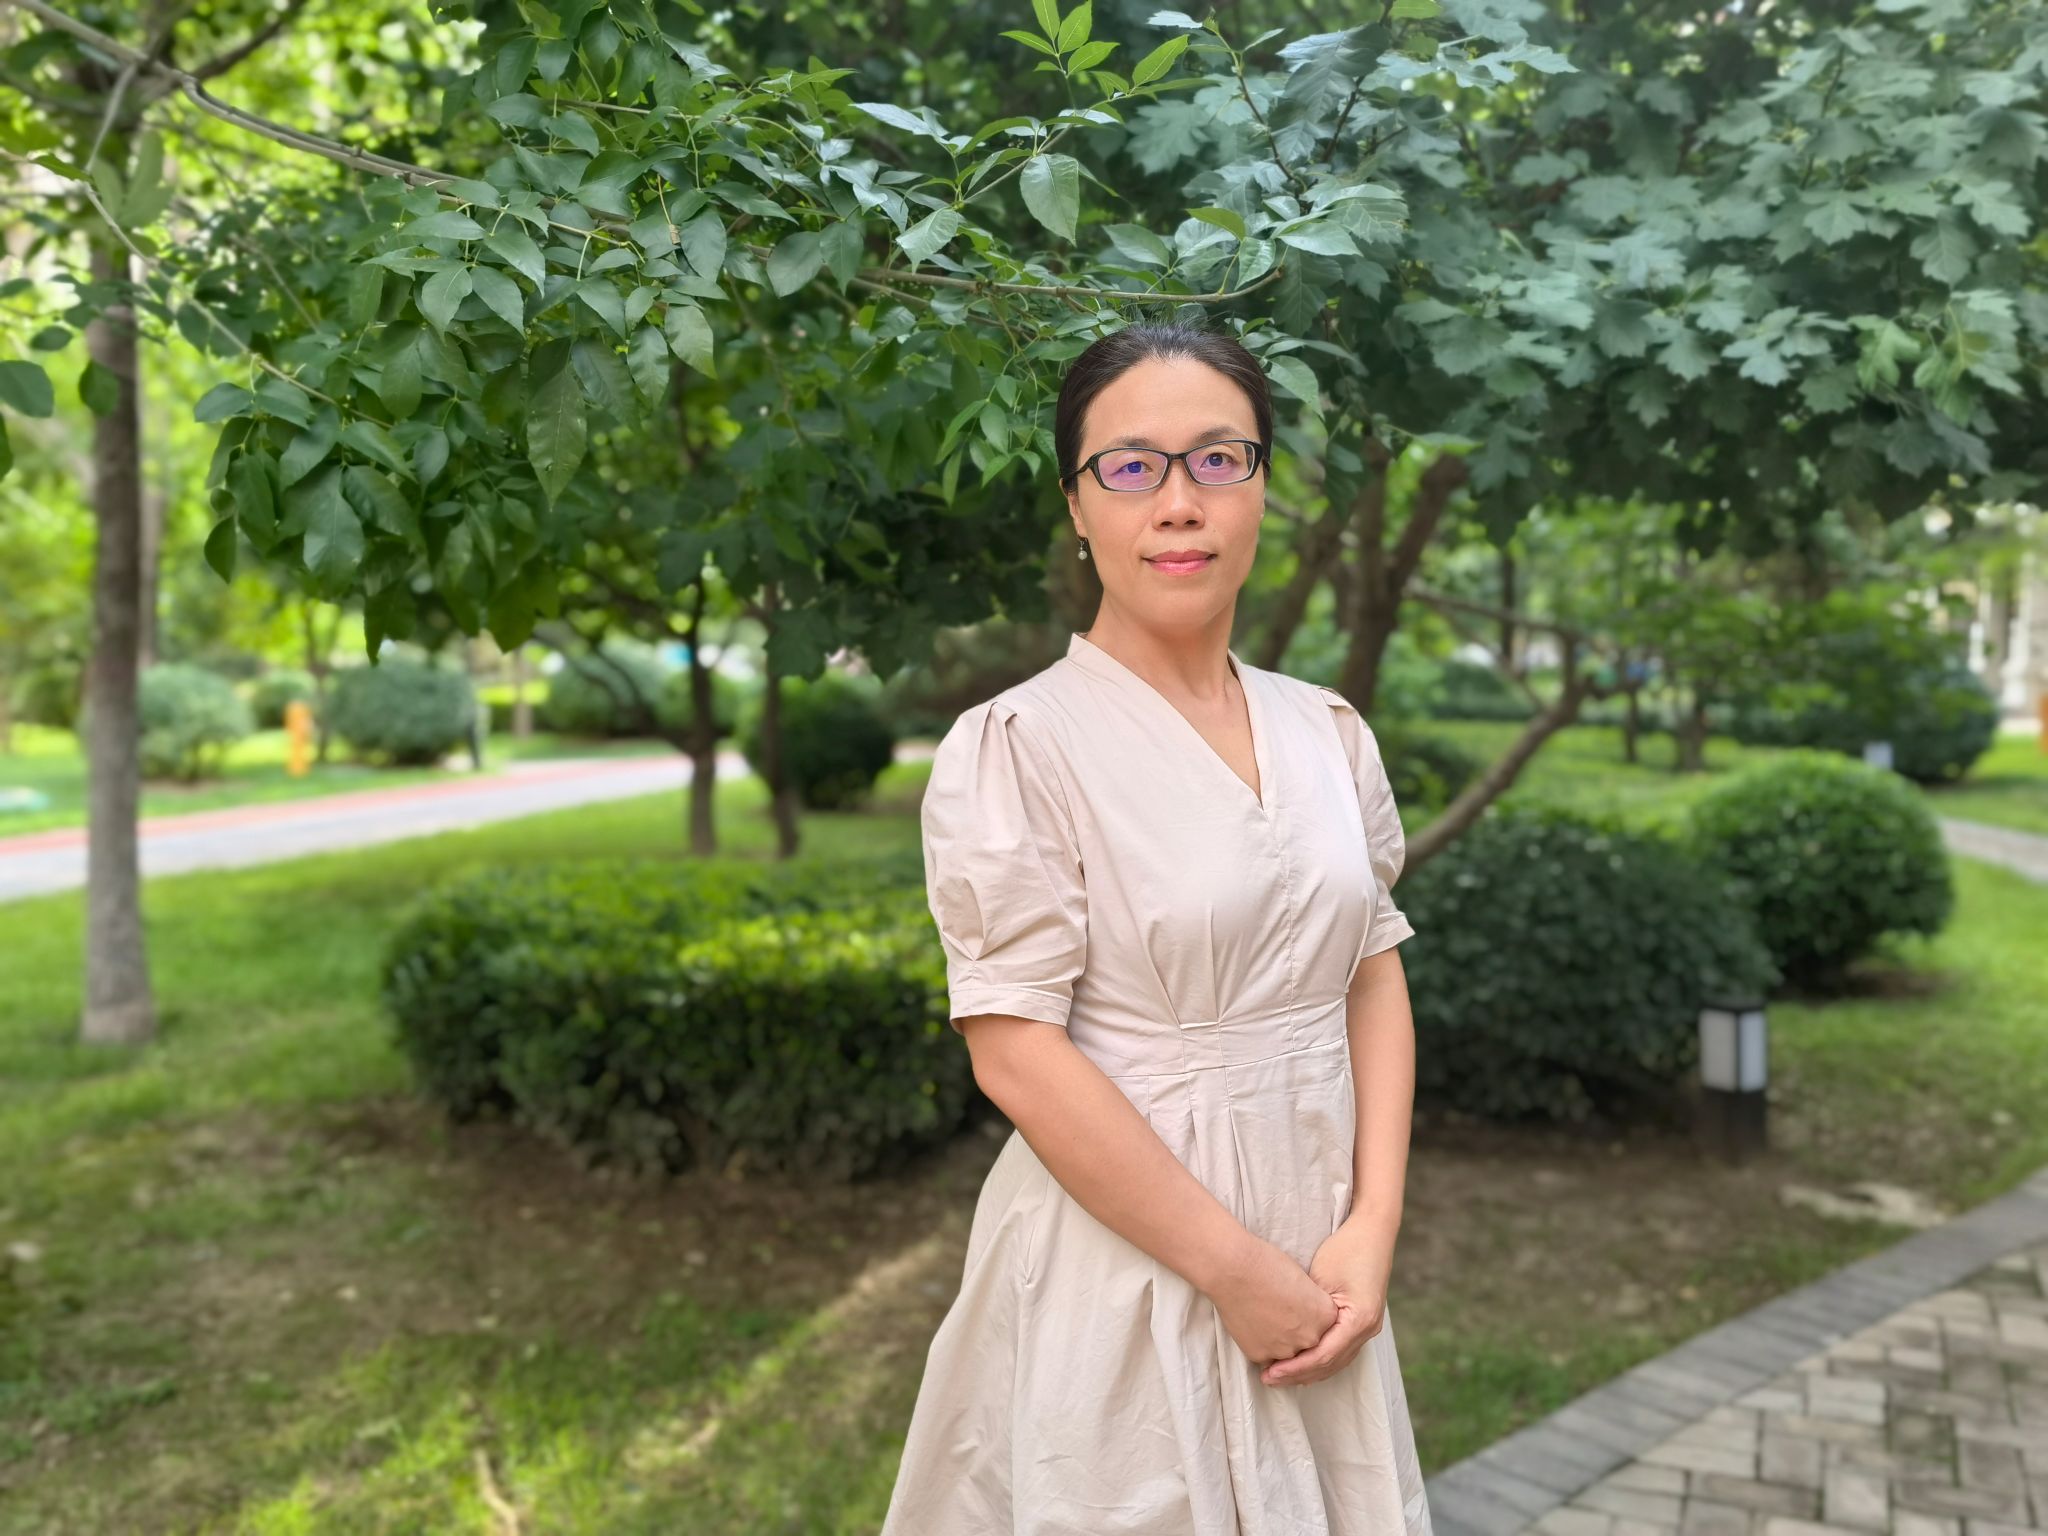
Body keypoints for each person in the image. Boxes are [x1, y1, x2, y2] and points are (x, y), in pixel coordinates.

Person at [879, 321, 1432, 1535]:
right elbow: (1013, 1049)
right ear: (1076, 507)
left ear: (1262, 488)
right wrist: (1234, 1274)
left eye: (1216, 459)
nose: (1177, 502)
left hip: (1323, 1249)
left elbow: (1368, 972)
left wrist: (1370, 1228)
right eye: (1129, 466)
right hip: (1130, 1263)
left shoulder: (1327, 732)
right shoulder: (1019, 747)